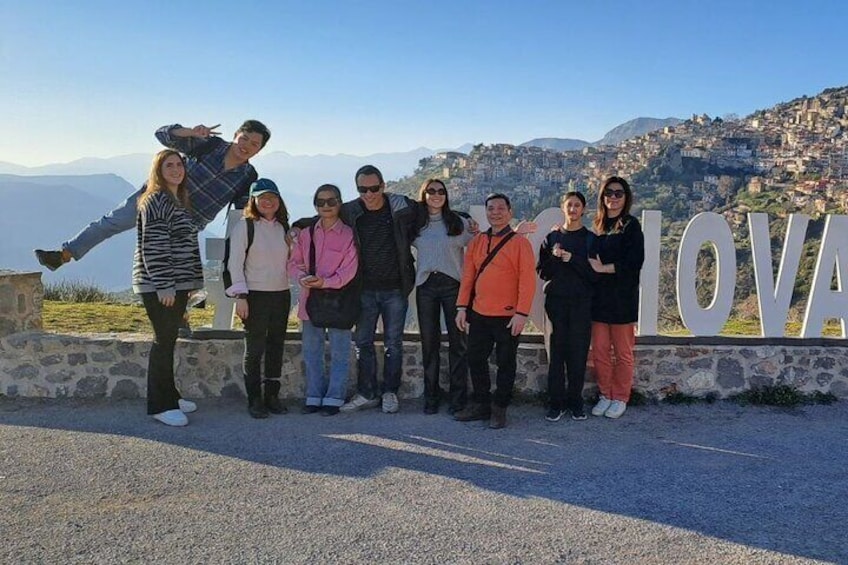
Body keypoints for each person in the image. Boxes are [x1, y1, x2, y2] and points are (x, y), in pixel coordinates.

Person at [35, 120, 271, 270]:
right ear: (236, 135)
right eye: (245, 138)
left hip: (189, 219)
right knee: (111, 223)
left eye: (254, 144)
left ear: (259, 150)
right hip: (156, 198)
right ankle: (62, 255)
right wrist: (191, 131)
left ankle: (180, 314)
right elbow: (162, 134)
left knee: (175, 264)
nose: (247, 145)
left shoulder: (248, 176)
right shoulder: (207, 145)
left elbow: (244, 210)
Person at [132, 150, 204, 427]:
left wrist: (185, 286)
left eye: (179, 164)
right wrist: (165, 286)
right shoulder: (156, 200)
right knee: (163, 341)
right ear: (158, 171)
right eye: (168, 165)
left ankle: (171, 396)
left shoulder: (179, 199)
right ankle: (160, 405)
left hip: (176, 284)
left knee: (169, 339)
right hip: (160, 284)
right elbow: (154, 245)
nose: (175, 169)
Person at [338, 165, 417, 414]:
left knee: (394, 343)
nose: (369, 194)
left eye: (374, 188)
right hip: (364, 289)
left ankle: (390, 392)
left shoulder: (400, 206)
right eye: (363, 189)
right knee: (363, 341)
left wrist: (464, 220)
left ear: (383, 186)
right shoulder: (350, 210)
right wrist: (296, 226)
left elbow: (433, 209)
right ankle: (367, 393)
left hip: (395, 288)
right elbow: (323, 216)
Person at [454, 193, 536, 429]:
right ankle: (481, 404)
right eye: (491, 208)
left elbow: (527, 280)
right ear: (486, 212)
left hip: (508, 315)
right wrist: (462, 307)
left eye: (501, 208)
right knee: (475, 359)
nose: (496, 212)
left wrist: (522, 313)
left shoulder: (520, 243)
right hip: (479, 313)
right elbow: (468, 276)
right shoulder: (478, 241)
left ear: (510, 212)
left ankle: (500, 407)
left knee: (505, 362)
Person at [288, 184, 358, 416]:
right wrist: (302, 277)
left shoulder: (349, 234)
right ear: (315, 205)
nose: (326, 206)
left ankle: (334, 397)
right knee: (311, 351)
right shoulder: (306, 234)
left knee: (340, 351)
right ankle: (314, 395)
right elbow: (293, 262)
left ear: (339, 203)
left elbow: (350, 269)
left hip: (339, 300)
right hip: (311, 301)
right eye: (321, 202)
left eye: (331, 201)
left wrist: (325, 282)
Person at [225, 178, 291, 419]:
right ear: (253, 200)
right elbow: (234, 263)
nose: (268, 201)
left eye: (272, 197)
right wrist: (241, 296)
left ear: (279, 200)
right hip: (254, 295)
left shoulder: (284, 227)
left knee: (276, 346)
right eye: (262, 197)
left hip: (281, 294)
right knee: (254, 349)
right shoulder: (245, 226)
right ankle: (255, 400)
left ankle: (272, 396)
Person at [411, 179, 474, 415]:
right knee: (429, 343)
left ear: (446, 196)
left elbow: (477, 243)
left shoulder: (459, 223)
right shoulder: (416, 224)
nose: (436, 195)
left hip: (453, 286)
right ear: (423, 194)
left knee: (458, 343)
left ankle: (458, 397)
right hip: (426, 285)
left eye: (441, 191)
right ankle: (431, 396)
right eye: (431, 191)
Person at [536, 191, 597, 422]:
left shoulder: (590, 239)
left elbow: (594, 274)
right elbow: (542, 272)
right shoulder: (551, 238)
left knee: (578, 354)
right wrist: (553, 257)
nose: (573, 209)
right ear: (563, 208)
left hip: (581, 304)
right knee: (556, 354)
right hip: (555, 304)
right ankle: (556, 404)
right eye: (569, 205)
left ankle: (576, 403)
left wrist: (573, 259)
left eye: (577, 205)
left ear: (583, 209)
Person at [588, 176, 645, 419]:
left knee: (622, 352)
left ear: (626, 197)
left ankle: (621, 396)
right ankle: (605, 394)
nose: (612, 197)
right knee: (599, 351)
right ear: (602, 197)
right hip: (599, 299)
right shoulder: (598, 226)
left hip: (622, 299)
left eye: (618, 193)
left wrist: (604, 268)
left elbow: (634, 262)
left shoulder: (631, 225)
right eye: (608, 193)